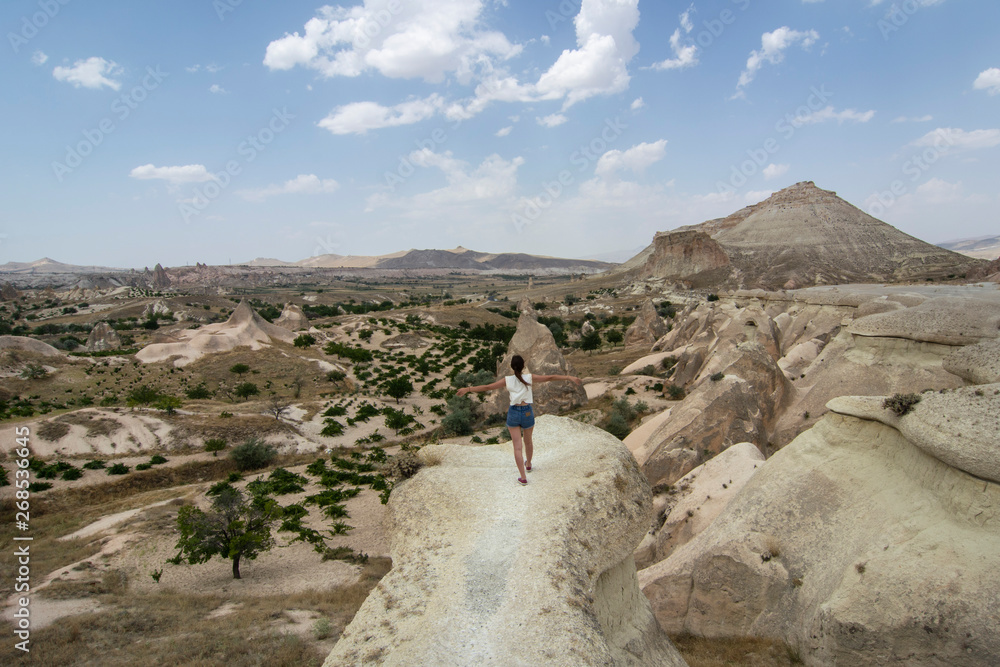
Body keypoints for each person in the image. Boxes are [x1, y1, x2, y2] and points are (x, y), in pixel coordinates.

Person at [456, 354, 583, 486]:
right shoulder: (529, 377)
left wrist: (468, 389)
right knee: (528, 442)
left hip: (514, 413)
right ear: (523, 366)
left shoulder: (507, 380)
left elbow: (488, 387)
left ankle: (523, 477)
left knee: (517, 447)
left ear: (512, 367)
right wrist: (569, 377)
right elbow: (550, 377)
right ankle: (528, 464)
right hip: (527, 412)